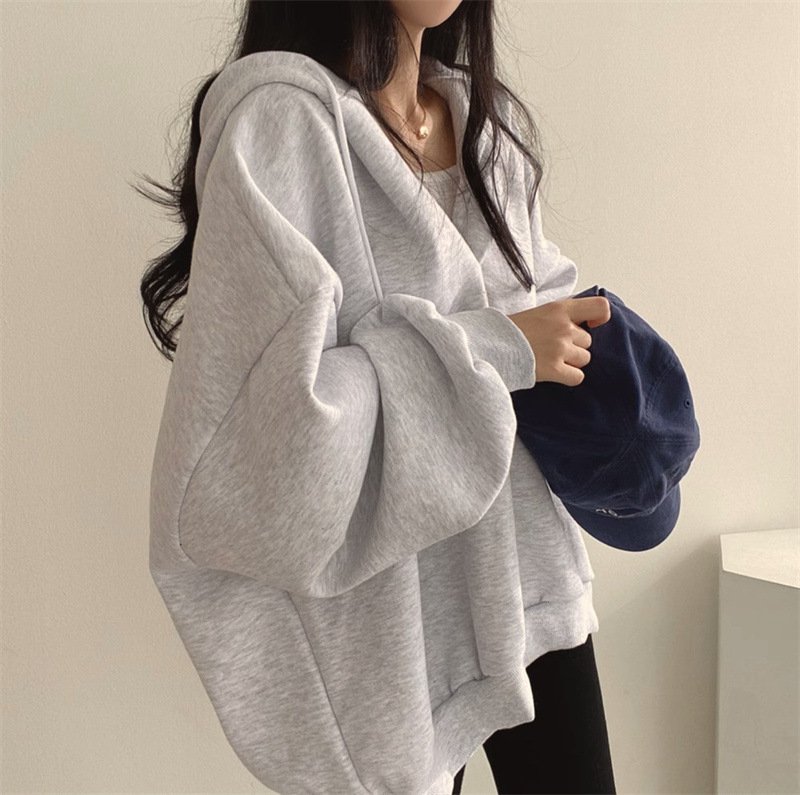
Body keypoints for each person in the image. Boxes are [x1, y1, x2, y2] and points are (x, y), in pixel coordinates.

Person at [138, 1, 614, 793]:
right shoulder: (282, 127)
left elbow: (543, 309)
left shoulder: (485, 127)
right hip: (392, 638)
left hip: (531, 584)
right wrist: (496, 349)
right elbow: (268, 449)